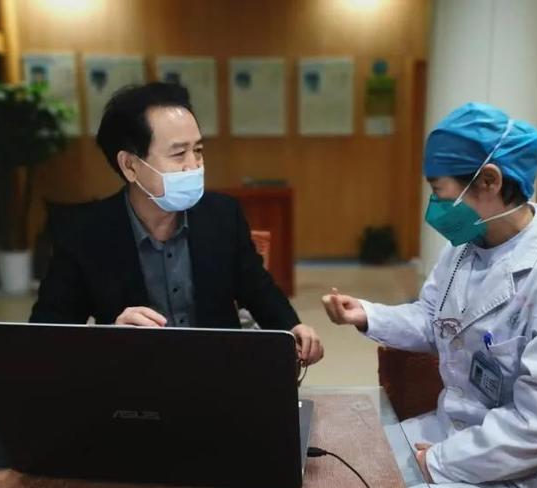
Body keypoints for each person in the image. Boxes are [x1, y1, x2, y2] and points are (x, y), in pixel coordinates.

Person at [322, 102, 537, 488]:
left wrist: (439, 462)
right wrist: (368, 314)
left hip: (525, 479)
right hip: (456, 431)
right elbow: (435, 321)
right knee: (344, 470)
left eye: (438, 189)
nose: (435, 205)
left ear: (489, 180)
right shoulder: (465, 250)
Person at [31, 82, 323, 365]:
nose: (194, 165)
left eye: (198, 150)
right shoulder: (84, 233)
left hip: (218, 373)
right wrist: (110, 337)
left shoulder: (222, 215)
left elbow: (258, 289)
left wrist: (292, 328)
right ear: (130, 165)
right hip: (131, 378)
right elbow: (45, 334)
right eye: (178, 153)